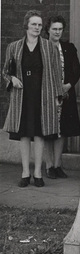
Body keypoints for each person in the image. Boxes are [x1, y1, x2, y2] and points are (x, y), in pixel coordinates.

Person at [2, 10, 62, 187]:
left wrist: (58, 95)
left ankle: (38, 173)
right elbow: (6, 71)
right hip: (22, 96)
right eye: (34, 24)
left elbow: (56, 73)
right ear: (26, 25)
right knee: (24, 135)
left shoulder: (49, 47)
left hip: (42, 95)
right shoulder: (14, 47)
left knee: (40, 133)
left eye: (39, 25)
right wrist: (12, 79)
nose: (37, 27)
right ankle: (25, 172)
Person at [43, 16, 80, 179]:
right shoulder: (42, 47)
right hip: (46, 95)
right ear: (48, 30)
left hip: (64, 95)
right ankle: (49, 165)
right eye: (54, 29)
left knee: (62, 130)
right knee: (47, 130)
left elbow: (76, 70)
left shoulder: (68, 48)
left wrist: (68, 86)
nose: (57, 32)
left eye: (60, 29)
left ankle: (58, 165)